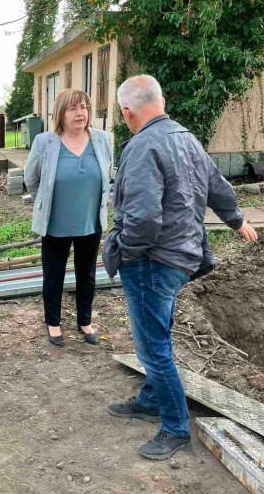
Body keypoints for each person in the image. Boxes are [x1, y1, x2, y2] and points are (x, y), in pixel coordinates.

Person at [103, 75, 258, 460]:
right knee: (159, 334)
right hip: (182, 256)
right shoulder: (185, 137)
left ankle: (175, 427)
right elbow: (218, 186)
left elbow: (142, 217)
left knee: (153, 347)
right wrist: (237, 220)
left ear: (127, 112)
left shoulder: (141, 147)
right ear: (162, 99)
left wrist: (124, 250)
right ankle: (152, 398)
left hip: (152, 260)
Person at [24, 88, 112, 347]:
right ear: (61, 113)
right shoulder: (45, 142)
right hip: (55, 222)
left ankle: (85, 321)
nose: (80, 113)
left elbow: (107, 175)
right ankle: (53, 324)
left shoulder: (102, 139)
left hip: (90, 220)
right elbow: (31, 179)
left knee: (87, 274)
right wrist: (45, 201)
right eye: (73, 108)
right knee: (54, 274)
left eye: (84, 107)